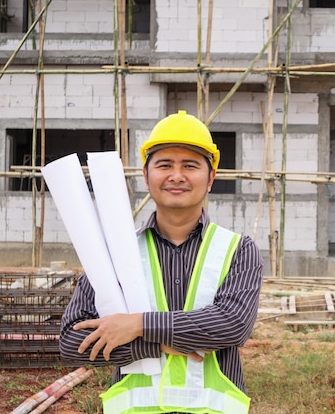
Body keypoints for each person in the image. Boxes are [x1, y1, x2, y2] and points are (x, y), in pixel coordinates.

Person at [59, 110, 264, 414]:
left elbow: (231, 325)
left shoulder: (237, 250)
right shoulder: (113, 255)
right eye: (164, 165)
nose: (176, 175)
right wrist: (153, 345)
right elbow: (71, 340)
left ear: (210, 178)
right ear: (146, 175)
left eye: (190, 166)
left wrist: (138, 325)